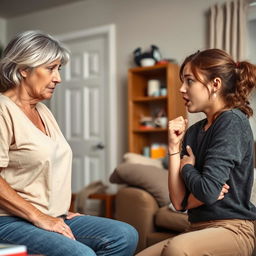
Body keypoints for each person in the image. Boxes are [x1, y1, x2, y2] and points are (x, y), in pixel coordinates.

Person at [0, 30, 138, 256]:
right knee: (82, 254)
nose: (58, 78)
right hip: (9, 221)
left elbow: (45, 172)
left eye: (59, 69)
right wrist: (41, 216)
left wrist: (61, 211)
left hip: (52, 216)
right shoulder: (3, 109)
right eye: (50, 69)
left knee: (124, 235)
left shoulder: (43, 111)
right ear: (24, 69)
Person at [136, 48, 256, 256]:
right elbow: (179, 202)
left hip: (233, 229)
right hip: (196, 227)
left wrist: (188, 167)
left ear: (215, 84)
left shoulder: (232, 121)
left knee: (176, 249)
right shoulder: (192, 131)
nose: (181, 89)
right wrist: (174, 147)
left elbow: (208, 191)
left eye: (189, 81)